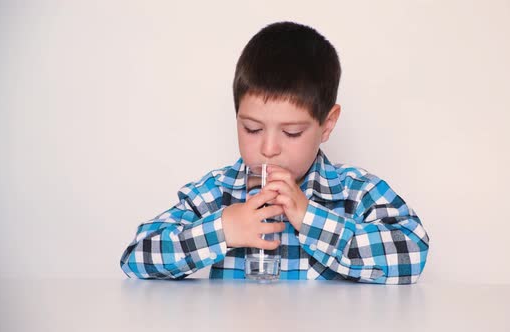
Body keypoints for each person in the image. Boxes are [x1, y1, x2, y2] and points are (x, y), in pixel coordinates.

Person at [120, 21, 429, 284]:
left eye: (292, 132)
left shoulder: (354, 192)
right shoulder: (217, 192)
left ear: (327, 124)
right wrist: (222, 230)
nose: (268, 149)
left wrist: (310, 218)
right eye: (252, 129)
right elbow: (136, 257)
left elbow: (413, 250)